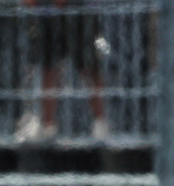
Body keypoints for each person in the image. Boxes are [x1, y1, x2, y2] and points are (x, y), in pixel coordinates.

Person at [15, 0, 106, 141]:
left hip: (79, 9)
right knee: (48, 66)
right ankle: (47, 124)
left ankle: (100, 121)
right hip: (48, 10)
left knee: (87, 66)